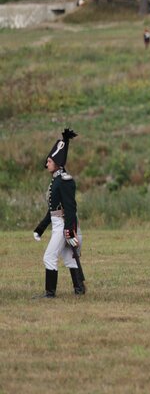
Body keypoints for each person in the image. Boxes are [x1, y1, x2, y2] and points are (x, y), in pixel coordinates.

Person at [33, 128, 85, 298]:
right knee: (69, 258)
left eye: (49, 161)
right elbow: (52, 210)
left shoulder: (64, 181)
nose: (46, 164)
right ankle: (79, 290)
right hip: (59, 223)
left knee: (49, 257)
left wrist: (70, 230)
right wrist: (41, 228)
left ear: (56, 162)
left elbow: (70, 208)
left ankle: (50, 293)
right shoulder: (56, 180)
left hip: (63, 225)